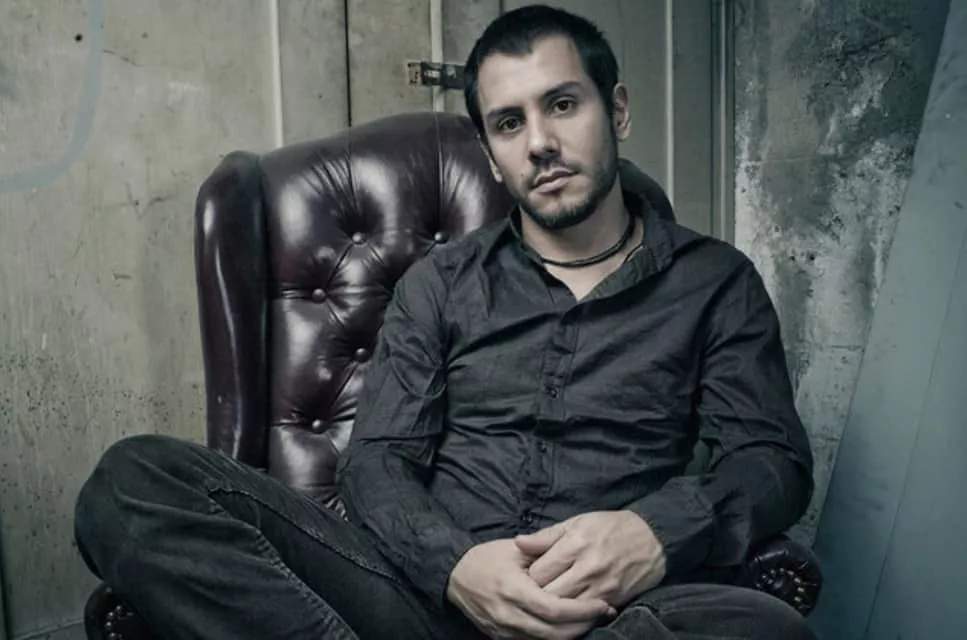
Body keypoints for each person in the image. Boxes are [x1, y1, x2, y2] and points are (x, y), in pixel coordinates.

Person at [74, 5, 816, 639]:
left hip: (604, 614)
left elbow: (771, 461)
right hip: (420, 604)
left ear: (616, 109)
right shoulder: (441, 283)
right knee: (131, 483)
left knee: (762, 627)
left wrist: (653, 533)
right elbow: (376, 463)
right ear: (491, 155)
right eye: (508, 123)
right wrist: (456, 566)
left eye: (563, 105)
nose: (539, 142)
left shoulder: (715, 283)